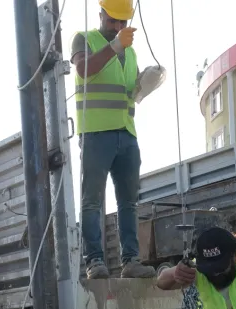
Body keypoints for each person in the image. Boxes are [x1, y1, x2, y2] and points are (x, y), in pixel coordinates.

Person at [70, 0, 156, 279]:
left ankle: (130, 261)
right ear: (101, 15)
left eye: (122, 22)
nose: (118, 27)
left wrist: (146, 84)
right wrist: (116, 46)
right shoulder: (85, 39)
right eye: (113, 21)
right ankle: (95, 261)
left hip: (127, 133)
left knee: (129, 201)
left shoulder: (129, 53)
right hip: (96, 132)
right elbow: (84, 70)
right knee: (92, 200)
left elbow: (128, 92)